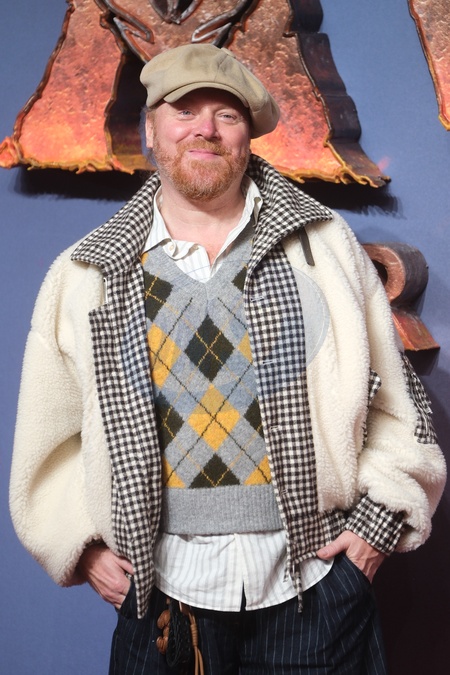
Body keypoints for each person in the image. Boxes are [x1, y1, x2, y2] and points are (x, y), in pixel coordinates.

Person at [10, 43, 446, 674]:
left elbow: (400, 404)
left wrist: (377, 526)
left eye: (227, 115)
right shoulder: (87, 274)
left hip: (317, 587)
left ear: (249, 136)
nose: (205, 129)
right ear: (152, 130)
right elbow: (46, 438)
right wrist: (78, 548)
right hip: (161, 599)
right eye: (184, 110)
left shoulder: (323, 248)